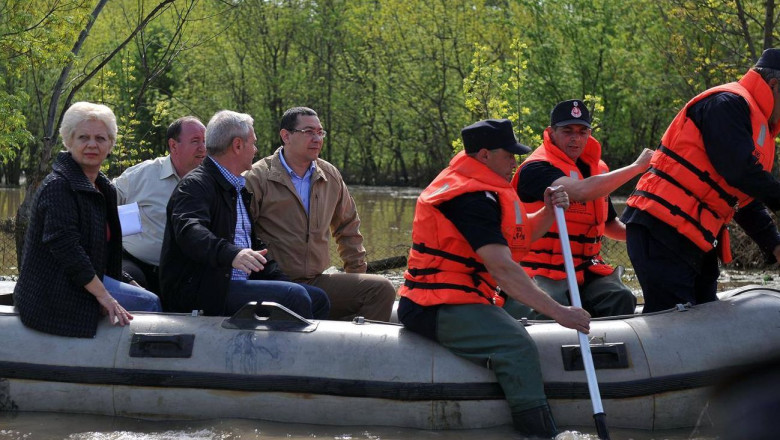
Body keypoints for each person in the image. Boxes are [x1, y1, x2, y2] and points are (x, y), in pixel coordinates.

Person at [397, 118, 591, 438]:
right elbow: (502, 267)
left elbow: (520, 240)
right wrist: (561, 314)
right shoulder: (469, 197)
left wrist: (547, 209)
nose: (515, 162)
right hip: (433, 304)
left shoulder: (485, 191)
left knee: (532, 312)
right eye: (509, 155)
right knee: (516, 346)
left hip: (463, 296)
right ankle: (538, 433)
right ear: (484, 155)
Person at [622, 48, 780, 313]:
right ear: (774, 85)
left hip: (696, 237)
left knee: (703, 316)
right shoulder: (727, 104)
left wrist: (774, 244)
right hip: (661, 228)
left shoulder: (755, 121)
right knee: (673, 321)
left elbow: (741, 197)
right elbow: (739, 172)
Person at [159, 110, 330, 319]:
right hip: (199, 291)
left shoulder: (237, 187)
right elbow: (190, 232)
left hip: (231, 285)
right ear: (238, 146)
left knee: (317, 299)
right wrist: (232, 254)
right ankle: (287, 352)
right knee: (295, 297)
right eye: (253, 143)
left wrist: (282, 280)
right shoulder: (195, 185)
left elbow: (254, 248)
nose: (256, 150)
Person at [14, 102, 162, 338]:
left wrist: (128, 282)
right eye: (83, 137)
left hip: (82, 278)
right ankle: (140, 373)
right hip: (56, 288)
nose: (92, 144)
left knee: (148, 292)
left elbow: (101, 252)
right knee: (150, 303)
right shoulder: (59, 186)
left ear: (110, 144)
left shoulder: (104, 188)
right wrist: (104, 295)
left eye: (100, 138)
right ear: (68, 141)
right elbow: (66, 248)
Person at [244, 106, 395, 321]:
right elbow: (238, 234)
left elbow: (348, 229)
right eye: (308, 132)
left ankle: (356, 351)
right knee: (300, 299)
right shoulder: (257, 177)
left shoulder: (330, 175)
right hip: (272, 284)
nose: (317, 138)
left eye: (320, 132)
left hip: (316, 281)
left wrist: (355, 278)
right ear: (286, 136)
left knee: (381, 289)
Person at [510, 99, 652, 319]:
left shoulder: (598, 170)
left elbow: (608, 225)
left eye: (582, 131)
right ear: (551, 132)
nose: (575, 138)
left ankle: (606, 348)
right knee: (549, 307)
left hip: (585, 269)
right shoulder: (536, 168)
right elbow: (581, 191)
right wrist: (637, 168)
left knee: (621, 297)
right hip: (540, 271)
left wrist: (645, 234)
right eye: (567, 131)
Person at [113, 116, 207, 293]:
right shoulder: (143, 175)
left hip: (184, 272)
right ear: (173, 146)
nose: (203, 148)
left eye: (205, 141)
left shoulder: (210, 181)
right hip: (136, 265)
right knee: (130, 291)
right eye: (195, 141)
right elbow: (102, 201)